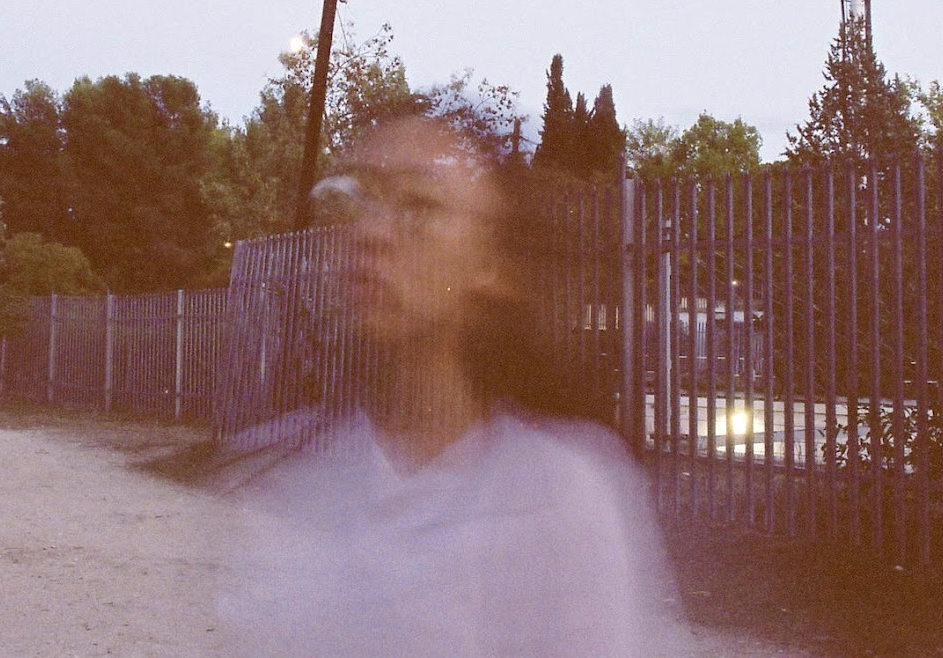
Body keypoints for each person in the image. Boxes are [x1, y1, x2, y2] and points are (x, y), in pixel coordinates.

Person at [218, 117, 685, 658]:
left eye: (419, 206)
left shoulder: (558, 500)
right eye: (353, 199)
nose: (369, 232)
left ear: (488, 263)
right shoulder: (289, 482)